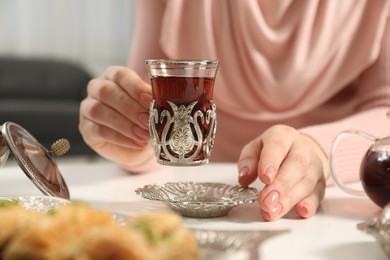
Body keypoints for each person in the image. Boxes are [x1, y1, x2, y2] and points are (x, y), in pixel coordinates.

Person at [79, 0, 390, 221]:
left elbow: (386, 110)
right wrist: (130, 138)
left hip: (318, 207)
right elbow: (149, 104)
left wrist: (320, 150)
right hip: (190, 206)